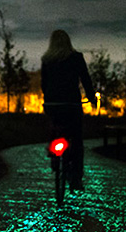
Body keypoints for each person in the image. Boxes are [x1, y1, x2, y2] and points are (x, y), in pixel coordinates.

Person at [40, 29, 95, 191]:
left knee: (55, 126)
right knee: (76, 139)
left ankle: (53, 153)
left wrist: (49, 98)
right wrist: (91, 97)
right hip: (71, 104)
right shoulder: (76, 58)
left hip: (52, 104)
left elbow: (44, 84)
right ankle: (76, 178)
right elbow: (85, 79)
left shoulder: (47, 60)